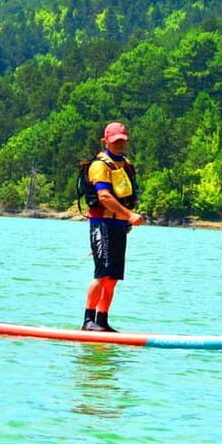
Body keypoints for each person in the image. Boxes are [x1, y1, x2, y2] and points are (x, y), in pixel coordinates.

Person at [82, 122, 145, 332]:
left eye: (122, 141)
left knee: (113, 278)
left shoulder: (126, 164)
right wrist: (129, 215)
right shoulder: (100, 165)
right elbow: (104, 196)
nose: (119, 144)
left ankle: (102, 320)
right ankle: (88, 320)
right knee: (102, 274)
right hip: (102, 224)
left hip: (118, 225)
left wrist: (126, 221)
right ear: (106, 140)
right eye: (115, 141)